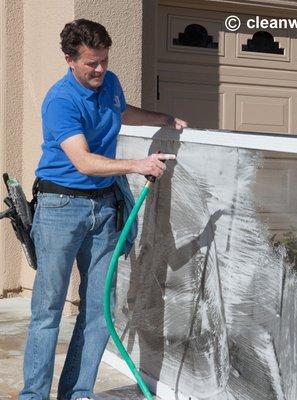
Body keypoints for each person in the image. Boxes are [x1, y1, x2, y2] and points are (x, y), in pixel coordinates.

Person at [19, 19, 187, 400]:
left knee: (98, 311)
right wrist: (136, 166)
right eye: (91, 63)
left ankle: (77, 394)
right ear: (69, 59)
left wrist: (161, 119)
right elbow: (83, 162)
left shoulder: (108, 84)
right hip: (61, 207)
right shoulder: (60, 100)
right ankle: (34, 396)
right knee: (48, 310)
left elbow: (119, 109)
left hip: (103, 209)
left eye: (104, 61)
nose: (100, 70)